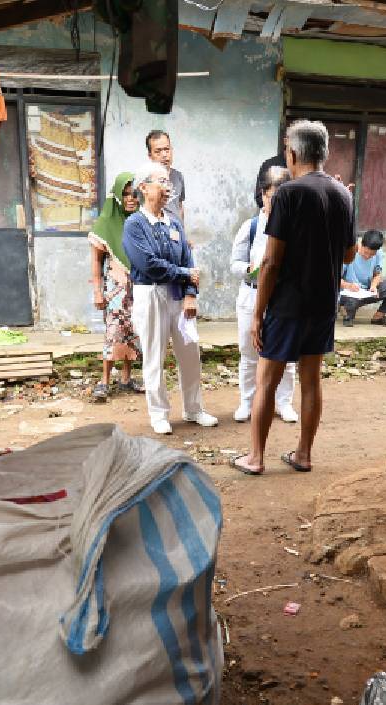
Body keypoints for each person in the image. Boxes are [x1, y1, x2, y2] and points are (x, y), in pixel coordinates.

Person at [232, 120, 356, 476]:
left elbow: (271, 261)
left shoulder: (288, 193)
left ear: (293, 152)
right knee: (311, 379)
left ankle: (255, 458)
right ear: (325, 153)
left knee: (266, 379)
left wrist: (258, 314)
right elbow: (348, 255)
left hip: (287, 304)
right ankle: (303, 454)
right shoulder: (342, 194)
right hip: (323, 304)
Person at [122, 162, 218, 435]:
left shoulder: (173, 221)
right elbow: (148, 263)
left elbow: (189, 259)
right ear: (143, 187)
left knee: (190, 354)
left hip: (178, 294)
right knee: (154, 355)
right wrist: (185, 274)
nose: (167, 188)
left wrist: (190, 293)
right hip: (151, 293)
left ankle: (194, 408)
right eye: (161, 182)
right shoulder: (135, 225)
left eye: (168, 183)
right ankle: (159, 413)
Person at [231, 166, 297, 423]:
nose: (277, 203)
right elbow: (234, 263)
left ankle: (283, 403)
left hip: (282, 298)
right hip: (251, 294)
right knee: (249, 352)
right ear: (263, 194)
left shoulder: (293, 227)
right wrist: (250, 268)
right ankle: (247, 402)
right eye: (272, 197)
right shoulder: (251, 227)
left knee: (286, 356)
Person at [87, 171, 144, 402]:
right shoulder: (105, 223)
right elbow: (96, 261)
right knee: (113, 332)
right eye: (126, 195)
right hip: (116, 288)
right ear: (117, 197)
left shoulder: (140, 221)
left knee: (134, 331)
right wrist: (98, 292)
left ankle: (126, 378)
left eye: (134, 195)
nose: (131, 199)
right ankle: (104, 381)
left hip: (139, 287)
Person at [339, 229, 386, 327]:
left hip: (366, 291)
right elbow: (335, 279)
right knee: (350, 301)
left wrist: (374, 286)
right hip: (350, 293)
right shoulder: (349, 251)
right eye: (365, 252)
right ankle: (347, 315)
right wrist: (348, 285)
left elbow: (377, 274)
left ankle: (379, 316)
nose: (368, 256)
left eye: (372, 254)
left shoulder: (379, 254)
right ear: (361, 244)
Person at [145, 130, 187, 224]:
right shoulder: (146, 180)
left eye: (167, 149)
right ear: (150, 156)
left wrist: (182, 233)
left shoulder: (178, 176)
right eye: (158, 151)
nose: (164, 155)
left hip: (176, 233)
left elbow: (179, 206)